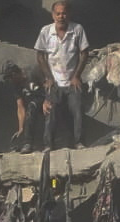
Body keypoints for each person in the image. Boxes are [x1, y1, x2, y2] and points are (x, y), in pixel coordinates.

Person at [35, 1, 89, 149]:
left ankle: (79, 142)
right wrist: (49, 77)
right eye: (58, 13)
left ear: (69, 14)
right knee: (50, 112)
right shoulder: (46, 31)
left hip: (72, 81)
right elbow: (40, 55)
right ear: (53, 15)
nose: (61, 16)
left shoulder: (77, 29)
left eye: (64, 13)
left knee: (77, 109)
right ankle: (48, 145)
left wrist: (77, 75)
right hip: (55, 81)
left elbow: (84, 53)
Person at [3, 63, 45, 153]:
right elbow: (20, 107)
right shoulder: (16, 85)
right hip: (32, 104)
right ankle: (27, 142)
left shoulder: (33, 72)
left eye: (10, 78)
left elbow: (48, 85)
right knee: (31, 108)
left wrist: (48, 100)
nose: (10, 81)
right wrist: (21, 127)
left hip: (45, 98)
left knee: (32, 106)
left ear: (14, 74)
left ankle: (28, 143)